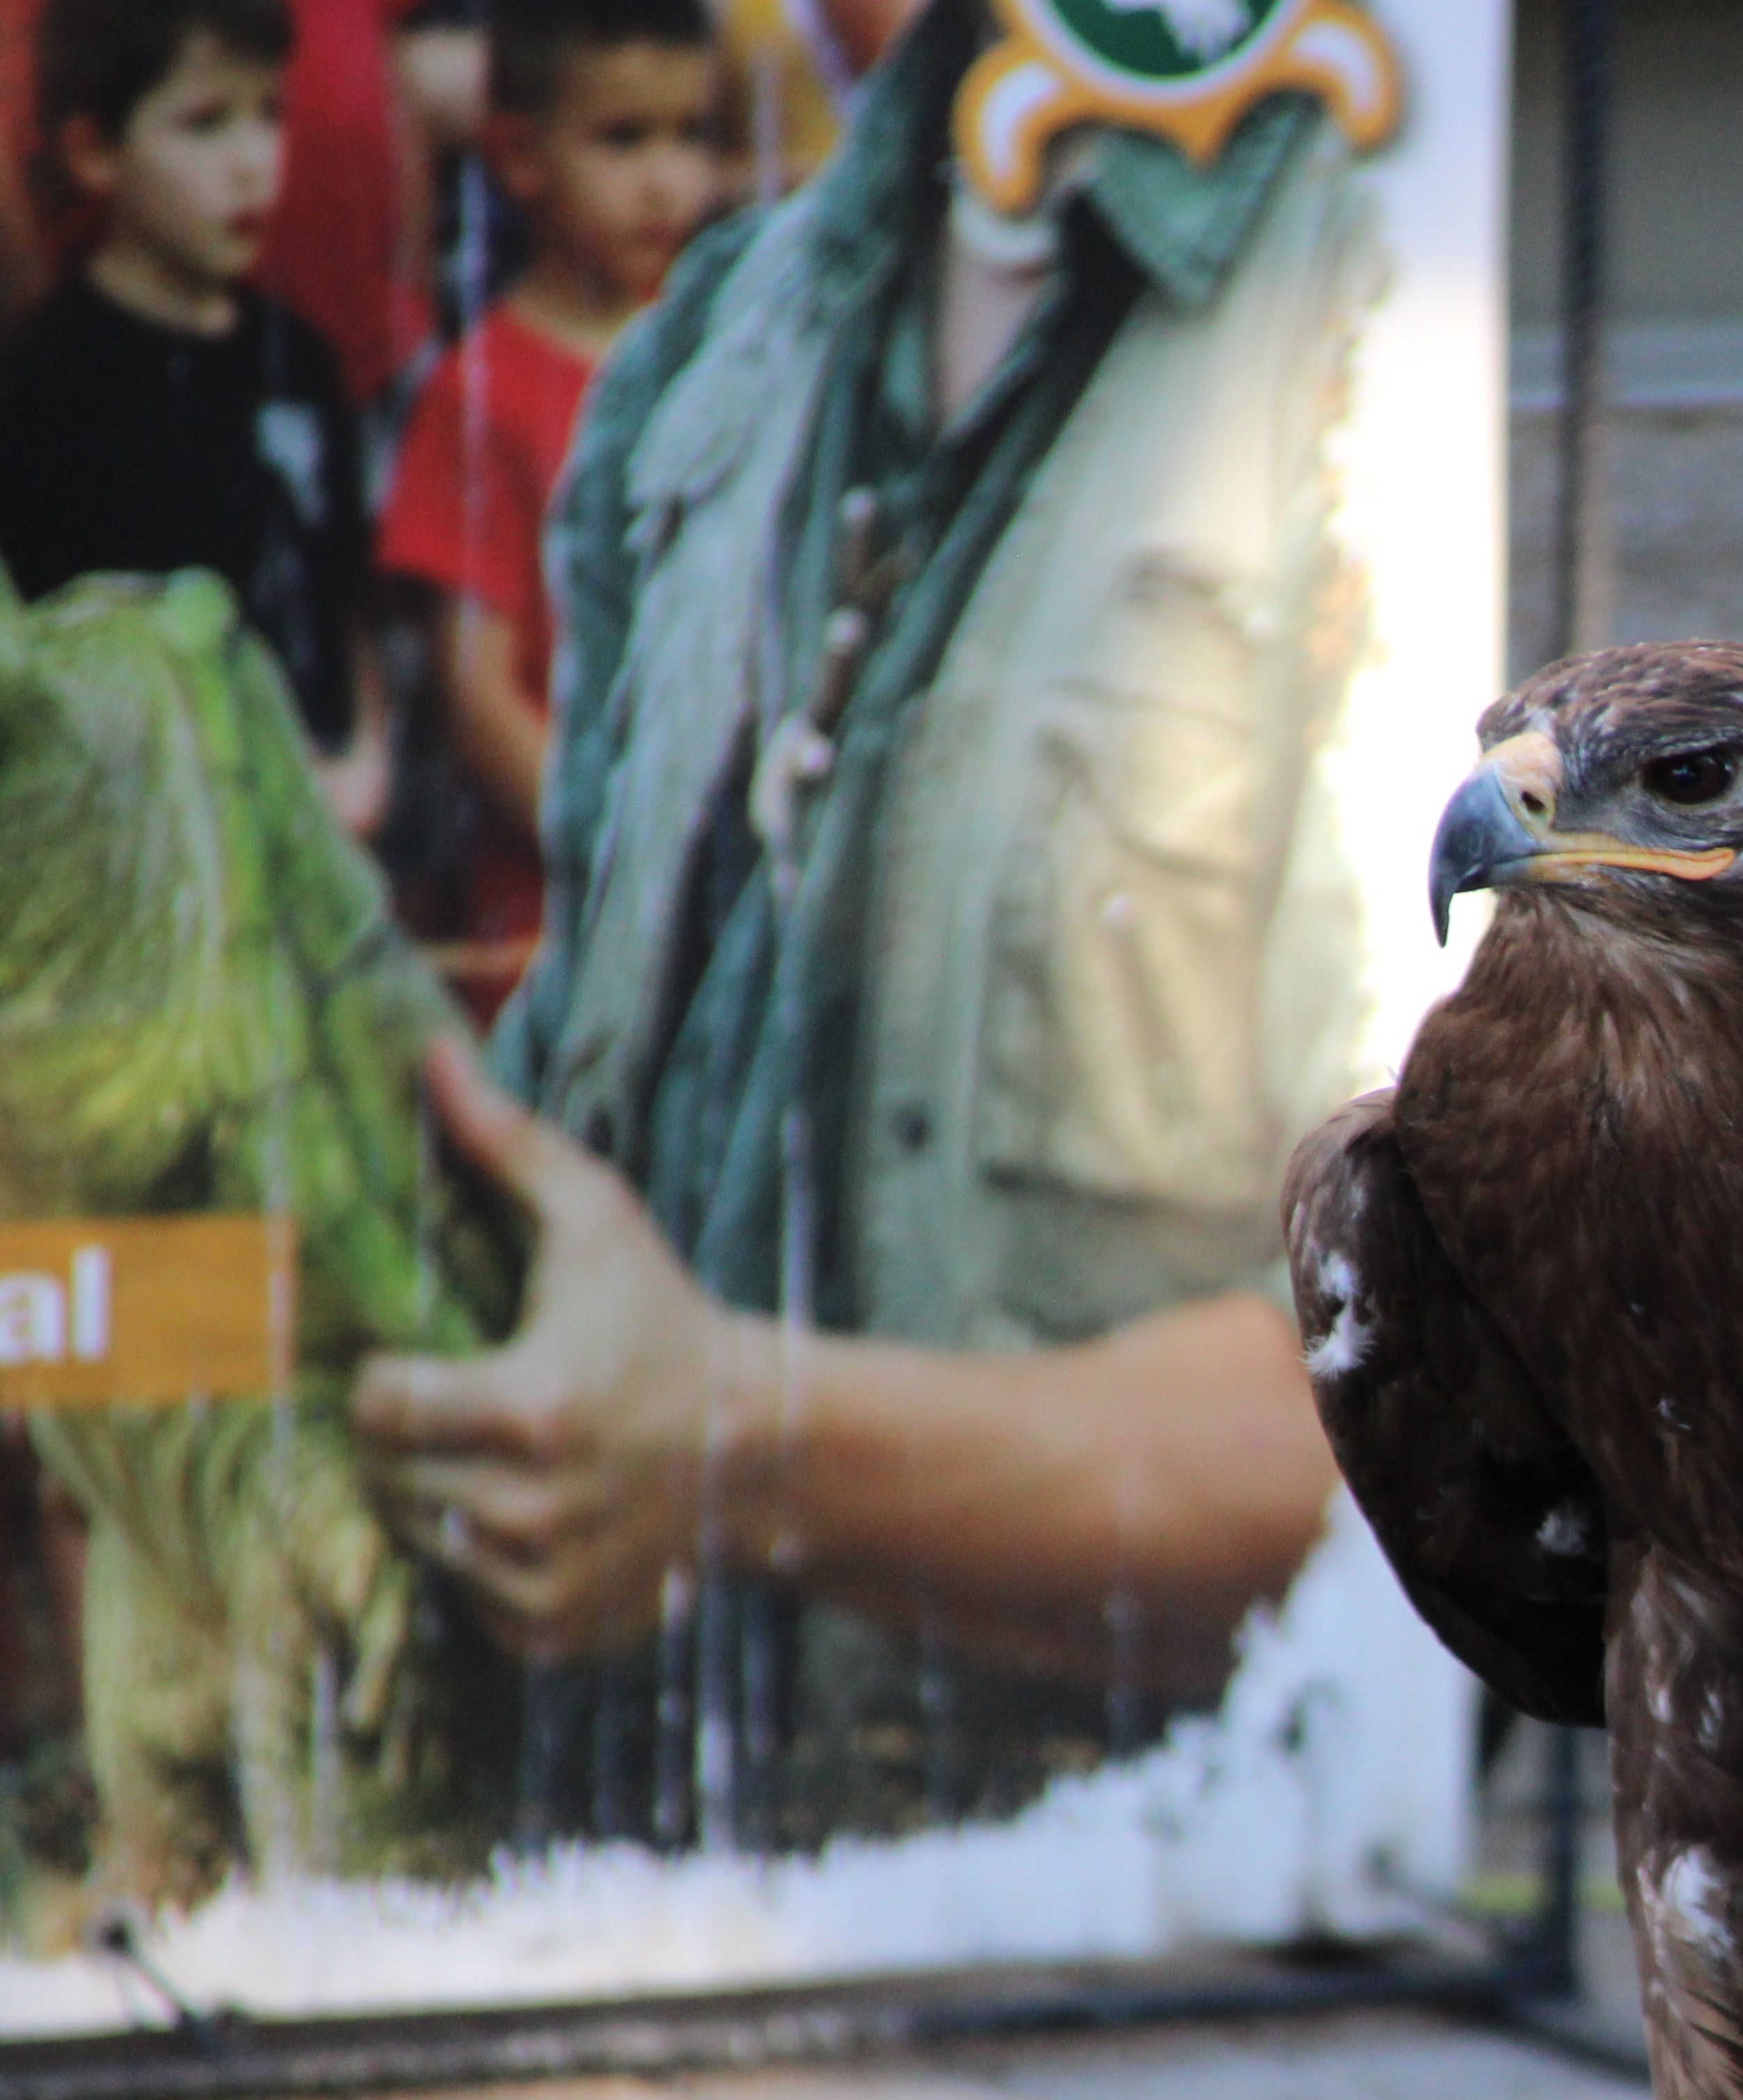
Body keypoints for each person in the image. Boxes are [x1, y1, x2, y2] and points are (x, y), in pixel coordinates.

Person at [351, 0, 1376, 1846]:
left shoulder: (1379, 286)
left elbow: (1461, 1433)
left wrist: (743, 1445)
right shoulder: (722, 335)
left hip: (1121, 1955)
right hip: (623, 1893)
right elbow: (599, 1069)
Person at [378, 0, 719, 1022]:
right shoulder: (480, 390)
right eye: (623, 140)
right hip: (551, 933)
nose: (666, 181)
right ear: (520, 156)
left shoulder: (723, 363)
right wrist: (622, 850)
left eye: (690, 136)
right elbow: (479, 701)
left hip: (713, 907)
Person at [0, 0, 387, 834]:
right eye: (205, 125)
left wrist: (366, 760)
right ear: (94, 149)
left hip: (320, 833)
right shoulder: (45, 382)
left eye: (269, 116)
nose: (253, 164)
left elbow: (343, 604)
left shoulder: (303, 361)